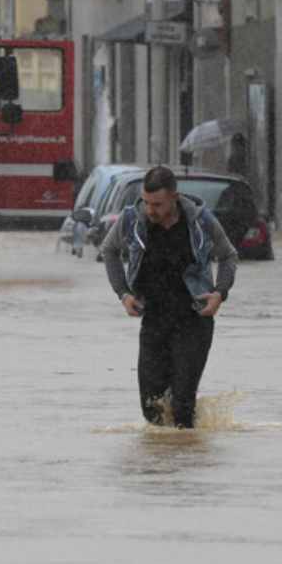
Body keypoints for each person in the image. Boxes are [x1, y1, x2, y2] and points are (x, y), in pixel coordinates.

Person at [101, 165, 238, 429]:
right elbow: (109, 251)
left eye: (158, 204)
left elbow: (228, 255)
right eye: (146, 202)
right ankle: (162, 460)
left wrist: (220, 293)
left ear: (174, 197)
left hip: (194, 320)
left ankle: (186, 460)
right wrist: (123, 293)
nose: (150, 209)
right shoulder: (133, 219)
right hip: (154, 320)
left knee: (181, 405)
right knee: (151, 407)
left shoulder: (200, 220)